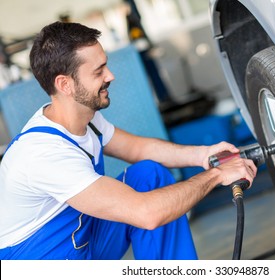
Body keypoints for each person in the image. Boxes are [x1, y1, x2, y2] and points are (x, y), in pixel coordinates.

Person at [0, 21, 257, 260]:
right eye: (98, 71)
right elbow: (147, 214)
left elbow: (138, 148)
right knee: (149, 206)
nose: (110, 76)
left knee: (148, 177)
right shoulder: (43, 153)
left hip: (82, 241)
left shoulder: (84, 120)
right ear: (65, 85)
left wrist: (203, 155)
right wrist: (217, 175)